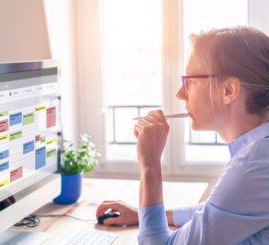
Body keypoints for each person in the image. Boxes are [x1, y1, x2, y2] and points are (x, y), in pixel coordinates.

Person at [96, 26, 269, 244]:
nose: (180, 93)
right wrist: (146, 215)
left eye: (189, 82)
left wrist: (150, 166)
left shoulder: (253, 165)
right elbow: (220, 211)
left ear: (229, 90)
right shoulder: (259, 153)